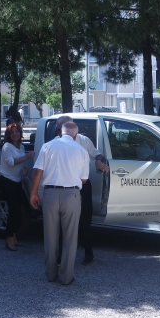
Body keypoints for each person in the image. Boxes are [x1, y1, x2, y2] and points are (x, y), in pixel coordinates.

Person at [30, 121, 89, 285]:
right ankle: (66, 277)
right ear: (75, 135)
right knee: (70, 238)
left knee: (50, 237)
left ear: (61, 132)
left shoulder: (48, 146)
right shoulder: (82, 151)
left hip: (50, 193)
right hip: (72, 195)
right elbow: (84, 179)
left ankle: (50, 274)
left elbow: (37, 171)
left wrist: (33, 193)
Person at [54, 116, 109, 264]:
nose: (61, 131)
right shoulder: (54, 144)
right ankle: (60, 257)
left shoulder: (83, 140)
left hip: (82, 184)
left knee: (85, 220)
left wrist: (98, 161)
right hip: (63, 186)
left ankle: (88, 252)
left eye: (63, 128)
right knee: (61, 222)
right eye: (58, 129)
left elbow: (98, 154)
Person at [0, 123, 35, 250]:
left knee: (19, 211)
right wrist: (26, 157)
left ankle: (13, 235)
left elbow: (20, 164)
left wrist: (24, 170)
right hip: (7, 181)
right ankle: (9, 238)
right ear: (8, 135)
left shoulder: (21, 147)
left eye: (17, 131)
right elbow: (10, 162)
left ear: (20, 133)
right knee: (13, 210)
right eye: (12, 132)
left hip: (17, 181)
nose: (15, 134)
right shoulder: (7, 147)